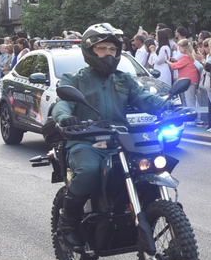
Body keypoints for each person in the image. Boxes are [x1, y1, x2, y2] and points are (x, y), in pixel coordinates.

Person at [45, 24, 177, 248]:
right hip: (86, 141)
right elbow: (63, 103)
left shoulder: (124, 79)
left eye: (113, 49)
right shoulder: (75, 79)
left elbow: (146, 98)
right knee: (89, 171)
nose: (108, 53)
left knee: (154, 164)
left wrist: (170, 107)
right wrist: (65, 117)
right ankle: (68, 222)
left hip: (121, 141)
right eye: (102, 48)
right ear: (90, 51)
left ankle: (168, 225)